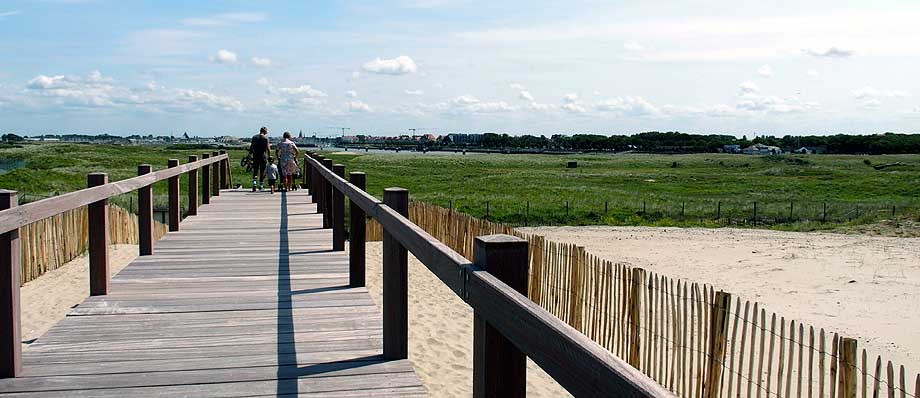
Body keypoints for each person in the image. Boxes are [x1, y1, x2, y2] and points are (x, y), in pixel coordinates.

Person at [249, 127, 271, 191]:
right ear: (265, 131)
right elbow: (268, 149)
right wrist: (269, 156)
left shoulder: (254, 137)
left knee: (255, 170)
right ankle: (261, 185)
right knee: (262, 171)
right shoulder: (266, 138)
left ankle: (254, 184)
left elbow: (251, 147)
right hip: (263, 156)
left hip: (255, 156)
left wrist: (250, 155)